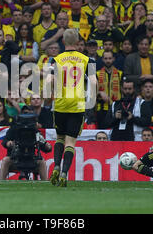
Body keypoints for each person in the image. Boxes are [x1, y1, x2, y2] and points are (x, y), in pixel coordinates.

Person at [48, 29, 97, 187]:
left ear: (63, 42)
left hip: (61, 104)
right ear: (78, 43)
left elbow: (49, 81)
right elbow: (94, 82)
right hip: (77, 105)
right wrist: (91, 100)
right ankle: (64, 173)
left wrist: (49, 96)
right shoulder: (87, 60)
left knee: (60, 138)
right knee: (71, 142)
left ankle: (56, 165)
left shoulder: (56, 59)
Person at [0, 105, 52, 180]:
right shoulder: (14, 129)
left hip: (31, 160)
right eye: (25, 114)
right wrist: (9, 143)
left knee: (42, 162)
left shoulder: (36, 131)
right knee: (5, 160)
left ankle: (45, 184)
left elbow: (45, 147)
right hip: (16, 159)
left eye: (29, 114)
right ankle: (1, 183)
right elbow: (4, 141)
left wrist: (47, 146)